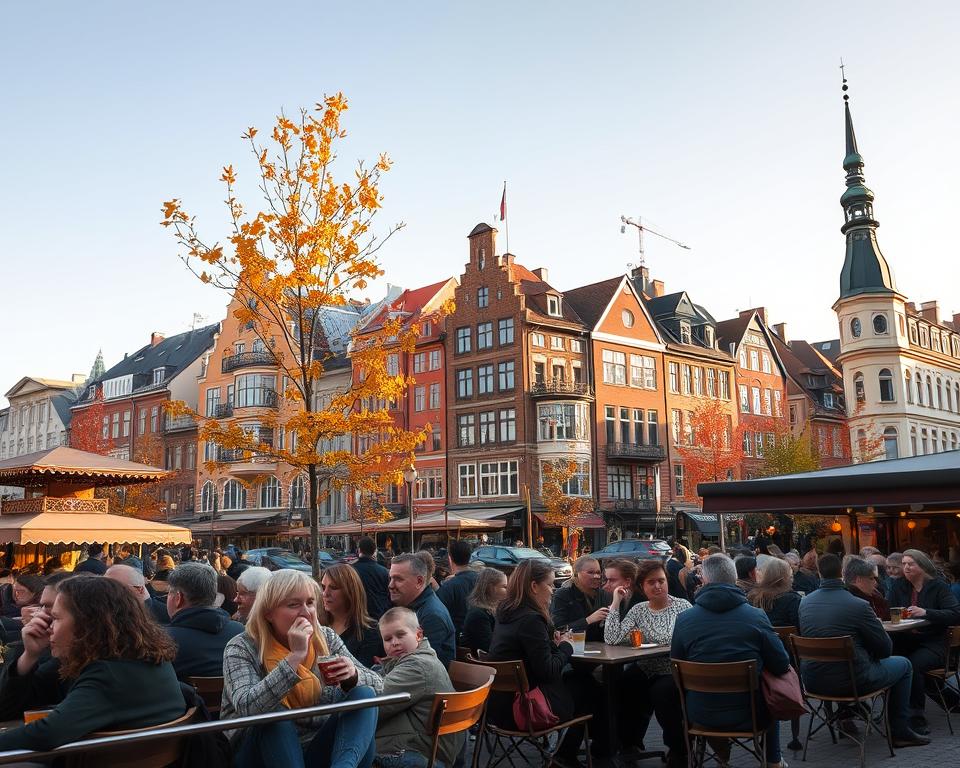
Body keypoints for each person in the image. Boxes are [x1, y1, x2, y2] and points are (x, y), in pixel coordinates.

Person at [0, 575, 185, 752]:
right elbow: (8, 708)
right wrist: (30, 656)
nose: (48, 626)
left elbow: (47, 733)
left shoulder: (107, 673)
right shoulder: (145, 658)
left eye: (55, 618)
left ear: (87, 624)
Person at [221, 569, 381, 768]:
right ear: (268, 613)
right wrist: (294, 658)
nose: (306, 612)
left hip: (315, 744)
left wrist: (354, 675)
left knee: (363, 694)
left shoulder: (325, 637)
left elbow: (380, 687)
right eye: (294, 604)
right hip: (259, 751)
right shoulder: (242, 647)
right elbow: (248, 707)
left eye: (310, 602)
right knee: (275, 716)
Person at [671, 554, 791, 768]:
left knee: (710, 692)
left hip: (700, 714)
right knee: (768, 691)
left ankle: (721, 755)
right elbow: (781, 664)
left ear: (704, 580)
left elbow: (677, 668)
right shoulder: (756, 617)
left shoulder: (684, 620)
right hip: (751, 714)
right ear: (735, 578)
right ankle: (773, 760)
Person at [798, 553, 929, 747]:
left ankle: (845, 717)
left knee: (847, 664)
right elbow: (886, 650)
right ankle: (899, 730)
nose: (876, 582)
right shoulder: (858, 605)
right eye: (872, 578)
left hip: (812, 681)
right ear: (855, 579)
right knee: (904, 664)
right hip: (853, 680)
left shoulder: (805, 603)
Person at [488, 560, 587, 764]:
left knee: (579, 684)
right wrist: (566, 647)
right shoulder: (531, 620)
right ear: (534, 586)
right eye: (550, 584)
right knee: (590, 689)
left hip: (497, 710)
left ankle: (563, 754)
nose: (553, 590)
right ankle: (566, 757)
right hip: (526, 712)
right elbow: (548, 671)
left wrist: (552, 645)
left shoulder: (505, 613)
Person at [605, 559, 691, 766]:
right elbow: (612, 638)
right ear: (642, 587)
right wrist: (616, 602)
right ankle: (629, 743)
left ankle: (679, 749)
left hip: (673, 669)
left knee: (661, 693)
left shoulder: (683, 607)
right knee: (622, 684)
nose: (657, 586)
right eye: (651, 582)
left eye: (661, 580)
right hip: (645, 666)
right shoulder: (639, 610)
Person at [374, 607, 465, 767]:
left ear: (418, 635)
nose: (394, 642)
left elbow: (374, 705)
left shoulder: (417, 666)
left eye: (400, 635)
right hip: (430, 746)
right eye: (387, 639)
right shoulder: (422, 657)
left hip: (423, 755)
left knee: (349, 745)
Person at [887, 548, 960, 732]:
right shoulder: (899, 586)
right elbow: (889, 610)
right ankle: (895, 714)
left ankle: (916, 717)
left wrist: (926, 612)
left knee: (913, 665)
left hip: (934, 642)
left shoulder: (938, 587)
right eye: (904, 564)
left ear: (922, 566)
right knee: (890, 660)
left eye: (911, 564)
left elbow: (954, 614)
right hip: (906, 639)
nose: (906, 568)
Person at [0, 571, 77, 720]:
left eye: (52, 611)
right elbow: (6, 710)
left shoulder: (98, 667)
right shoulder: (60, 661)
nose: (40, 616)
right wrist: (29, 656)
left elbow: (51, 729)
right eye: (42, 607)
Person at [164, 561, 244, 680]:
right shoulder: (240, 632)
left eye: (169, 592)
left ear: (178, 598)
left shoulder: (161, 640)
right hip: (231, 698)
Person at [388, 554, 455, 667]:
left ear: (419, 582)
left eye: (398, 579)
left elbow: (422, 667)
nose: (391, 585)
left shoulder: (432, 616)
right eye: (390, 578)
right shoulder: (414, 607)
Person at [320, 563, 384, 668]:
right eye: (323, 587)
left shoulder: (370, 631)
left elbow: (364, 674)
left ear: (350, 591)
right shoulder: (317, 625)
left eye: (333, 587)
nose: (325, 593)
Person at [550, 555, 611, 641]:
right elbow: (559, 630)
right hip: (574, 649)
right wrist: (587, 620)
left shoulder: (605, 594)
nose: (596, 576)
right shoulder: (563, 595)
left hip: (603, 649)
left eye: (598, 572)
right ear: (576, 573)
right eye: (590, 572)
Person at [436, 539, 479, 640]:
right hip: (481, 637)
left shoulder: (449, 586)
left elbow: (439, 615)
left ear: (450, 559)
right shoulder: (482, 580)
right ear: (470, 557)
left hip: (457, 640)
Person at [460, 567, 507, 653]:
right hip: (480, 663)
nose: (508, 591)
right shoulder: (478, 614)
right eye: (504, 587)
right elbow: (488, 647)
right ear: (491, 588)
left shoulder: (494, 610)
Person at [747, 557, 801, 628]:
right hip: (786, 638)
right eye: (790, 577)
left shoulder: (752, 597)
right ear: (785, 578)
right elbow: (799, 626)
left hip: (760, 637)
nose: (792, 580)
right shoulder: (793, 599)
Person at [352, 537, 391, 620]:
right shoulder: (384, 571)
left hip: (358, 616)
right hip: (380, 615)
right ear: (374, 551)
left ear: (358, 550)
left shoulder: (350, 571)